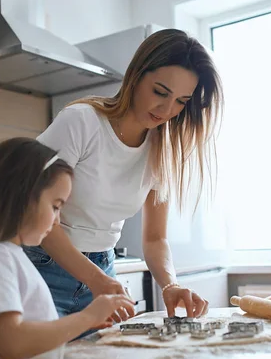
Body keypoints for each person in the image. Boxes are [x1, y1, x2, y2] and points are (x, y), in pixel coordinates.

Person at [24, 28, 223, 323]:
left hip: (104, 266)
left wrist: (170, 285)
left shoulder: (160, 149)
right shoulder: (81, 122)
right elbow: (38, 217)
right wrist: (96, 279)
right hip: (43, 268)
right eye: (160, 92)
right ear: (136, 75)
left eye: (181, 101)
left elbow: (155, 238)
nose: (167, 110)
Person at [0, 137, 134, 359]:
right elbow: (11, 344)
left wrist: (86, 322)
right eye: (55, 207)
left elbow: (31, 339)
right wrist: (87, 315)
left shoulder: (11, 256)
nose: (57, 222)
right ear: (22, 197)